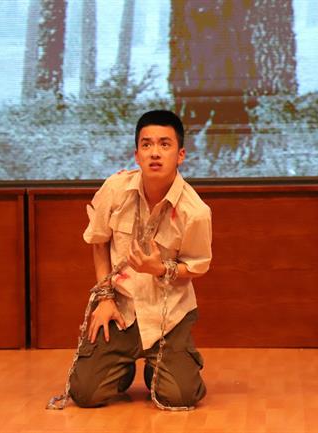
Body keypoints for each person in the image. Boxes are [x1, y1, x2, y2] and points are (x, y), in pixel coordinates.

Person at [68, 110, 212, 409]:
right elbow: (98, 242)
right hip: (120, 308)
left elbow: (197, 266)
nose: (155, 153)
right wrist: (105, 298)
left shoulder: (195, 211)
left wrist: (159, 268)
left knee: (180, 396)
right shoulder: (115, 189)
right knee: (85, 393)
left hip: (169, 315)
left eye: (164, 144)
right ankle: (120, 368)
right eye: (147, 145)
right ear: (136, 155)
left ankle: (160, 366)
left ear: (181, 155)